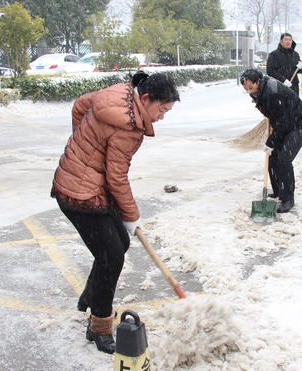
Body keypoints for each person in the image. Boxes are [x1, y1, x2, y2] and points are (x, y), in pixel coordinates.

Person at [50, 71, 179, 354]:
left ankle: (90, 294)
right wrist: (132, 216)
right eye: (162, 109)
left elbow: (80, 105)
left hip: (82, 183)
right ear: (145, 98)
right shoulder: (128, 127)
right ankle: (99, 327)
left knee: (119, 242)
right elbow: (117, 179)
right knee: (112, 257)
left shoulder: (118, 95)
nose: (162, 117)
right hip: (79, 195)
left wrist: (83, 145)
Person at [240, 68, 302, 213]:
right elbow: (278, 117)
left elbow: (283, 121)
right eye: (246, 90)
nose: (250, 92)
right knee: (272, 158)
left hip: (300, 126)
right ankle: (279, 189)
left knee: (284, 159)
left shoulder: (272, 93)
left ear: (258, 81)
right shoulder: (261, 90)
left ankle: (288, 199)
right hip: (286, 126)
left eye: (251, 88)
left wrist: (271, 141)